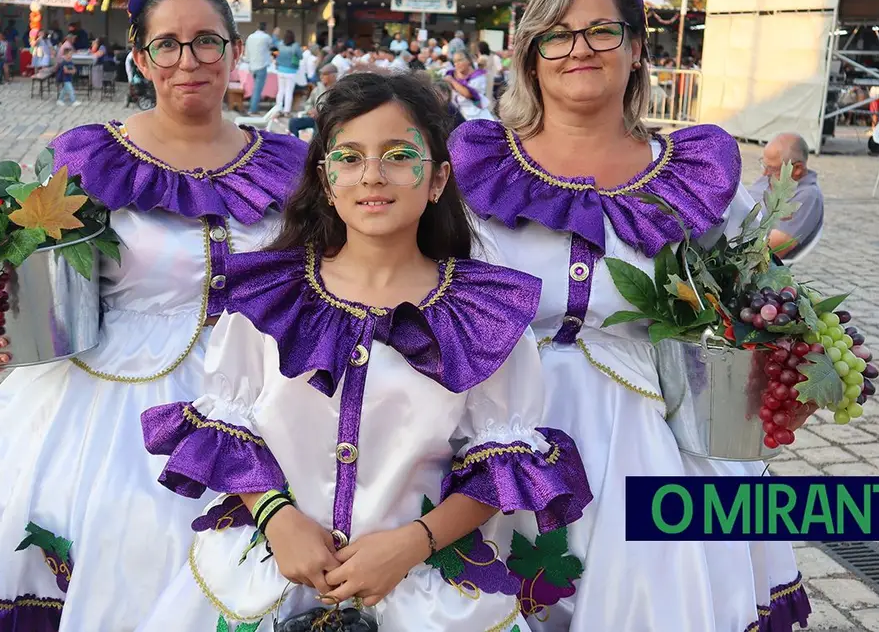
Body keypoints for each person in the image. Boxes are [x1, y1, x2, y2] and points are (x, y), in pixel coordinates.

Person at [0, 0, 307, 632]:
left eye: (207, 41)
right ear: (140, 58)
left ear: (234, 51)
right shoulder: (89, 157)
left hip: (263, 393)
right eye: (166, 45)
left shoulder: (290, 162)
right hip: (112, 410)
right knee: (130, 543)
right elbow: (17, 270)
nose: (188, 61)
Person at [136, 69, 589, 632]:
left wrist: (410, 545)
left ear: (438, 178)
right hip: (270, 579)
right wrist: (277, 520)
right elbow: (230, 430)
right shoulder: (266, 298)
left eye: (399, 155)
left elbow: (499, 469)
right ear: (326, 181)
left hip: (420, 591)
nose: (372, 175)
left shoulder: (484, 314)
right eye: (349, 158)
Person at [448, 0, 810, 632]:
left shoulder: (694, 171)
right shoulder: (481, 164)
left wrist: (789, 365)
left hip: (658, 428)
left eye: (601, 31)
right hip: (506, 425)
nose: (579, 48)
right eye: (556, 34)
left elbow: (757, 292)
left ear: (637, 49)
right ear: (531, 57)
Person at [747, 133, 824, 258]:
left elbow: (768, 252)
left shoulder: (806, 197)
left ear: (797, 169)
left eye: (772, 169)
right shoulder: (772, 177)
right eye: (764, 164)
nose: (764, 173)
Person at [288, 63, 337, 135]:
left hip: (328, 121)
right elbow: (309, 103)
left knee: (318, 125)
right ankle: (296, 144)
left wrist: (320, 113)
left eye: (324, 74)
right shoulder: (317, 89)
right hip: (314, 118)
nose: (321, 77)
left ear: (333, 76)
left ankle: (313, 144)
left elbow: (337, 109)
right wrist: (310, 111)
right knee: (293, 122)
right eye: (321, 74)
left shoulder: (338, 90)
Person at [444, 51, 493, 120]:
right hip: (461, 115)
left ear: (469, 61)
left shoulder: (478, 77)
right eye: (454, 62)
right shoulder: (453, 75)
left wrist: (452, 80)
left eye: (460, 60)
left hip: (477, 116)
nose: (456, 64)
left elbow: (468, 94)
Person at [245, 21, 273, 115]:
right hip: (262, 65)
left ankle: (252, 106)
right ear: (265, 28)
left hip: (252, 65)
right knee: (257, 89)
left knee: (255, 88)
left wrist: (248, 60)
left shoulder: (250, 36)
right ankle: (253, 109)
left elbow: (247, 51)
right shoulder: (266, 37)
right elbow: (272, 48)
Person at [274, 29, 300, 115]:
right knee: (289, 91)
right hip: (291, 71)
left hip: (280, 70)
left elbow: (274, 42)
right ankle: (286, 111)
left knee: (281, 90)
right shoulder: (295, 46)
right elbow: (301, 56)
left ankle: (278, 109)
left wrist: (275, 34)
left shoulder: (281, 44)